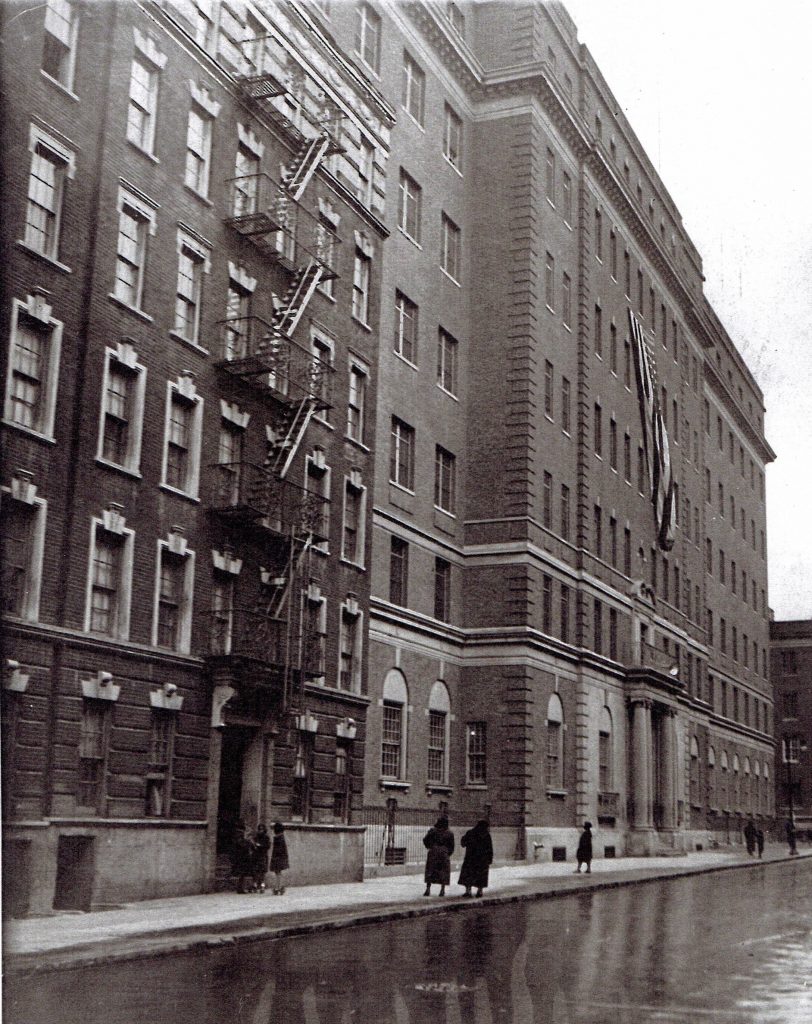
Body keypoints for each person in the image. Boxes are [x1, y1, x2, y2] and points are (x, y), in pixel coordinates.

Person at [458, 818, 493, 898]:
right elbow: (489, 848)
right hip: (482, 859)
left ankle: (468, 891)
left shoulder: (470, 833)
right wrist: (489, 859)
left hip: (470, 858)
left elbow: (463, 843)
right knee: (481, 876)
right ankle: (479, 891)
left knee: (468, 875)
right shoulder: (486, 835)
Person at [423, 816, 455, 896]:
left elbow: (425, 840)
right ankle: (442, 890)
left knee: (430, 870)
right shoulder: (449, 833)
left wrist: (430, 847)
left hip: (433, 851)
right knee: (444, 871)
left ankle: (428, 889)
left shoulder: (432, 831)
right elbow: (452, 846)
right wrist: (447, 853)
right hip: (444, 852)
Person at [231, 820, 255, 894]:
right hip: (242, 855)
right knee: (242, 872)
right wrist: (248, 841)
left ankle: (241, 887)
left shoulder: (238, 834)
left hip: (241, 855)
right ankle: (240, 888)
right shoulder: (239, 834)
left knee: (243, 872)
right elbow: (242, 845)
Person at [270, 821, 290, 894]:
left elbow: (278, 849)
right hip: (281, 857)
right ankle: (279, 886)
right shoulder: (282, 837)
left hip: (277, 857)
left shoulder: (278, 837)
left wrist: (275, 857)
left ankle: (278, 887)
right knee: (278, 873)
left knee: (277, 872)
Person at [252, 823, 271, 892]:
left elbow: (268, 846)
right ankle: (255, 885)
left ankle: (262, 886)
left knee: (262, 872)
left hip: (263, 856)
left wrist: (260, 845)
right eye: (259, 829)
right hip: (256, 856)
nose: (260, 831)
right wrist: (254, 846)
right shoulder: (256, 837)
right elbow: (253, 845)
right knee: (255, 872)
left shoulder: (266, 837)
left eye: (262, 829)